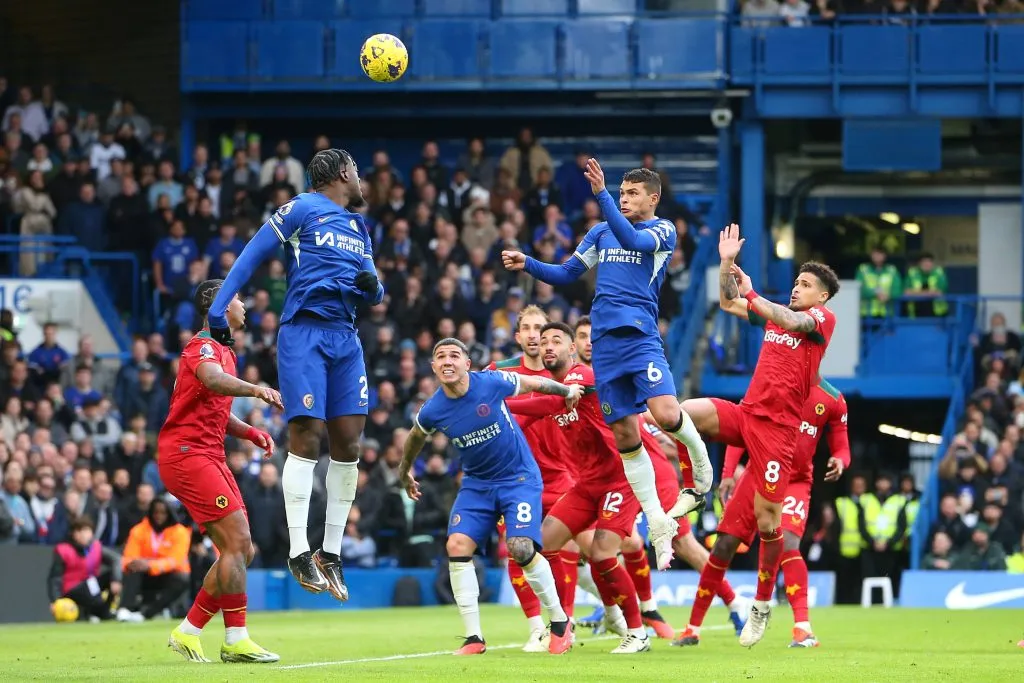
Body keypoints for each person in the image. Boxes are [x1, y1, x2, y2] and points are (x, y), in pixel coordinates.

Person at [503, 160, 711, 566]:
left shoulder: (662, 230)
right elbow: (566, 273)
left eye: (632, 194)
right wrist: (528, 262)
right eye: (621, 193)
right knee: (626, 436)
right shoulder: (600, 233)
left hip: (640, 337)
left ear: (653, 198)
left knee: (667, 414)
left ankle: (700, 466)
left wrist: (601, 194)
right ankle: (657, 521)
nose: (625, 199)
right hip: (605, 345)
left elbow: (632, 239)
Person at [207, 148, 384, 600]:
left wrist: (374, 288)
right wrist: (217, 309)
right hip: (304, 332)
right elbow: (251, 255)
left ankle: (331, 553)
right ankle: (299, 549)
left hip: (346, 338)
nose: (361, 178)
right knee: (306, 435)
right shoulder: (302, 208)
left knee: (349, 444)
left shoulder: (358, 227)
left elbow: (374, 290)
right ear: (342, 172)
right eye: (357, 170)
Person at [678, 223, 839, 647]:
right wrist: (727, 264)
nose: (797, 288)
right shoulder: (773, 317)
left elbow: (788, 317)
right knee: (679, 413)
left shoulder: (821, 320)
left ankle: (762, 604)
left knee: (770, 525)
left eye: (805, 285)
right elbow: (727, 301)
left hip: (779, 434)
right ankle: (694, 486)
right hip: (748, 414)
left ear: (822, 297)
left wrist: (753, 293)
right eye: (797, 282)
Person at [398, 337, 582, 656]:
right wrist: (404, 472)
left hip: (518, 477)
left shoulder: (491, 382)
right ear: (433, 367)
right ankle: (474, 638)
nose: (447, 361)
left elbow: (534, 383)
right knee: (457, 546)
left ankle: (559, 621)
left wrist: (567, 391)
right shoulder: (432, 410)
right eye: (440, 357)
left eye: (454, 355)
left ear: (467, 364)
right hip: (477, 484)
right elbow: (415, 437)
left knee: (520, 547)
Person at [504, 323, 661, 653]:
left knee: (602, 554)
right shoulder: (555, 391)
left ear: (571, 349)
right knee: (542, 544)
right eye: (543, 342)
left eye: (556, 341)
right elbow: (526, 415)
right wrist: (488, 412)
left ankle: (638, 633)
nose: (548, 346)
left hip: (620, 479)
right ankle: (562, 623)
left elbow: (553, 398)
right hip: (587, 484)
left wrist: (502, 399)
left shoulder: (582, 375)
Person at [674, 379, 850, 649]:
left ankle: (803, 629)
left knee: (788, 543)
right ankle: (692, 629)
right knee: (723, 545)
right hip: (758, 472)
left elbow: (842, 447)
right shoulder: (774, 383)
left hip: (795, 480)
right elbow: (746, 423)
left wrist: (840, 460)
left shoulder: (833, 398)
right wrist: (728, 473)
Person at [159, 279, 282, 663]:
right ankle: (235, 639)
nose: (244, 306)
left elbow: (216, 410)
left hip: (208, 454)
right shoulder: (203, 347)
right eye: (239, 299)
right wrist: (256, 389)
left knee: (242, 549)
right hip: (187, 454)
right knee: (236, 542)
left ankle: (189, 631)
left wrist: (251, 433)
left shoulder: (225, 352)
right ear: (221, 304)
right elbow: (212, 380)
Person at [487, 305, 580, 652]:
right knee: (517, 550)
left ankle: (566, 622)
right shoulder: (501, 373)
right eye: (526, 328)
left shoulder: (567, 376)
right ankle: (536, 627)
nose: (533, 335)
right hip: (514, 478)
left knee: (568, 550)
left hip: (562, 476)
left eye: (539, 329)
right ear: (517, 336)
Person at [47, 516, 123, 621]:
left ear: (92, 533)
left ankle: (105, 611)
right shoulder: (63, 550)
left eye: (86, 530)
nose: (83, 534)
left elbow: (116, 559)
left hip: (91, 588)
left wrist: (116, 579)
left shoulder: (96, 547)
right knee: (91, 588)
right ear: (73, 534)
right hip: (71, 590)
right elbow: (55, 578)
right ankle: (100, 613)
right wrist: (55, 601)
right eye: (79, 531)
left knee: (113, 575)